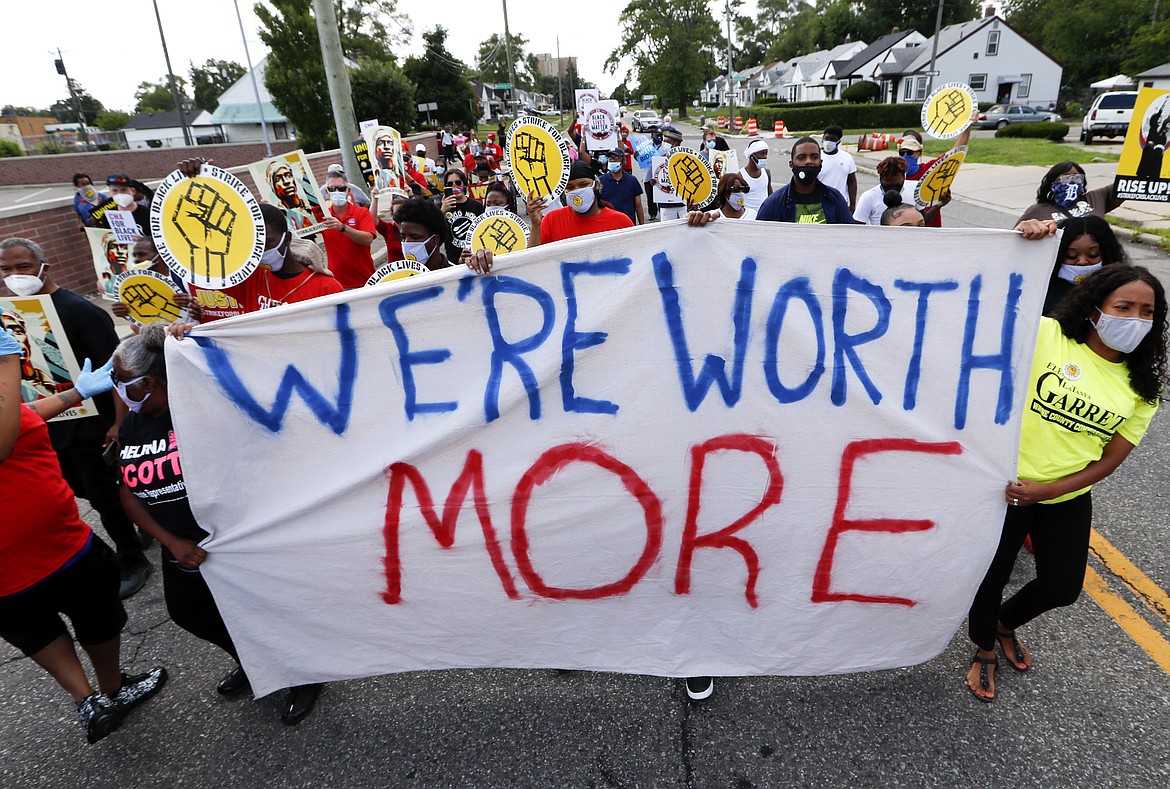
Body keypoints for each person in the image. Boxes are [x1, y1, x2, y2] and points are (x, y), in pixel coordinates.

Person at [965, 265, 1166, 703]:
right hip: (1002, 489)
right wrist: (1025, 241)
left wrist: (1049, 491)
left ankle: (1003, 623)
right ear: (1095, 309)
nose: (1135, 318)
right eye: (1124, 307)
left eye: (1147, 312)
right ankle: (983, 648)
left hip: (1065, 494)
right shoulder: (1047, 336)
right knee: (991, 575)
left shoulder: (1143, 386)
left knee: (1063, 587)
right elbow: (989, 297)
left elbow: (1112, 457)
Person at [0, 332, 167, 743]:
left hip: (39, 554)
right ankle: (108, 691)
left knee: (41, 627)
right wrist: (6, 359)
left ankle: (91, 700)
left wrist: (75, 393)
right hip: (52, 550)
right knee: (89, 614)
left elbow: (19, 417)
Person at [111, 326, 256, 709]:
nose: (118, 389)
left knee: (261, 609)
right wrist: (170, 541)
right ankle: (253, 662)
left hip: (229, 537)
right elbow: (128, 492)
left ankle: (299, 674)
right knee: (190, 613)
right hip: (180, 544)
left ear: (153, 381)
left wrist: (191, 335)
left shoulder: (202, 409)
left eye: (124, 381)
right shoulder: (132, 424)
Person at [1, 237, 153, 598]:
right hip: (48, 424)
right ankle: (144, 515)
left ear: (43, 267)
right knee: (81, 488)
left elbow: (117, 371)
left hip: (93, 423)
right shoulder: (9, 315)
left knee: (104, 494)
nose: (14, 276)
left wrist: (117, 424)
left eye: (22, 267)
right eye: (6, 269)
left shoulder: (79, 310)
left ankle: (132, 558)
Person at [527, 161, 634, 247]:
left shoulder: (621, 222)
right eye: (570, 187)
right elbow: (532, 262)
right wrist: (536, 225)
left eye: (583, 185)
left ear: (596, 185)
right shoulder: (552, 220)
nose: (577, 190)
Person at [756, 137, 854, 224]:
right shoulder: (773, 204)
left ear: (821, 162)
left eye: (814, 157)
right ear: (791, 164)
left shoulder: (835, 199)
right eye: (801, 157)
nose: (808, 161)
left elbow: (849, 236)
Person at [1042, 215, 1127, 314]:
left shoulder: (1120, 288)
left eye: (1093, 255)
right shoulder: (1043, 289)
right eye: (1071, 256)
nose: (1082, 262)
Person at [111, 236, 200, 327]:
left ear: (161, 255)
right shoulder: (136, 284)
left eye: (142, 254)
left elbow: (205, 311)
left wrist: (192, 303)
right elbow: (137, 326)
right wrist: (125, 313)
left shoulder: (184, 279)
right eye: (134, 255)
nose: (136, 259)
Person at [1017, 161, 1124, 224]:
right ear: (1052, 182)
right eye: (1066, 178)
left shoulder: (1097, 197)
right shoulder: (1036, 211)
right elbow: (1013, 239)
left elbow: (1127, 184)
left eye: (1077, 177)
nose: (1072, 181)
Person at [321, 173, 377, 289]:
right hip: (337, 284)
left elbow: (368, 239)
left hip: (365, 281)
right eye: (332, 188)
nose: (336, 192)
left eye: (341, 188)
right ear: (327, 191)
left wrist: (343, 227)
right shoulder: (323, 216)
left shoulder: (361, 212)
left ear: (348, 190)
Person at [394, 197, 453, 271]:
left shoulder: (456, 276)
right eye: (403, 237)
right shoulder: (398, 277)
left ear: (435, 240)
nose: (407, 243)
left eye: (415, 237)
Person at [854, 156, 917, 225]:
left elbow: (924, 220)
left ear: (904, 177)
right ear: (880, 178)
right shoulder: (868, 197)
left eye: (897, 185)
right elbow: (858, 226)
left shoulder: (915, 189)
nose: (892, 190)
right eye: (887, 186)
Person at [440, 168, 484, 262]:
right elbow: (435, 234)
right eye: (450, 184)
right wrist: (442, 211)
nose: (454, 186)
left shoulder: (476, 206)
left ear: (464, 184)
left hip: (476, 256)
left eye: (458, 183)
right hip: (453, 259)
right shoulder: (443, 207)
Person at [817, 125, 858, 212]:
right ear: (823, 138)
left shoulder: (847, 158)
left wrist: (853, 204)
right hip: (820, 205)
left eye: (833, 140)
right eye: (827, 138)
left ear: (838, 141)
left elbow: (852, 181)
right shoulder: (816, 157)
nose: (828, 142)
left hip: (841, 205)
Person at [599, 149, 645, 225]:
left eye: (616, 158)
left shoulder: (632, 180)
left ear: (622, 161)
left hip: (628, 223)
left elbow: (638, 205)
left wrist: (642, 225)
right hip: (608, 224)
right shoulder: (601, 181)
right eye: (610, 158)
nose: (613, 161)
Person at [656, 127, 688, 221]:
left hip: (683, 204)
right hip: (666, 205)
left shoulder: (687, 159)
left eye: (667, 141)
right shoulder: (660, 158)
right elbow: (656, 176)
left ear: (675, 143)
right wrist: (654, 182)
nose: (664, 143)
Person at [739, 139, 773, 214]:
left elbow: (771, 196)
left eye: (766, 154)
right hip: (749, 219)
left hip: (765, 215)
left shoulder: (767, 173)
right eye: (762, 153)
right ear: (752, 155)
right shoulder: (741, 176)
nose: (765, 157)